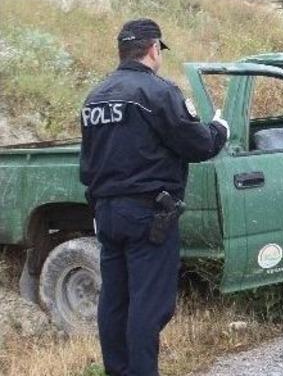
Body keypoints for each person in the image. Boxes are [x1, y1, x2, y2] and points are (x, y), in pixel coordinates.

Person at [79, 19, 229, 375]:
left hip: (107, 214)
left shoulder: (95, 98)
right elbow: (198, 145)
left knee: (115, 300)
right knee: (149, 305)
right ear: (153, 49)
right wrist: (219, 129)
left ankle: (118, 370)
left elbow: (88, 161)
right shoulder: (158, 93)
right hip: (149, 216)